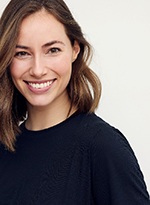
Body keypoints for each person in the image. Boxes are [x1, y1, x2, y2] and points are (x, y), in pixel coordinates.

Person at [0, 0, 149, 204]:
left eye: (52, 50)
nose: (37, 69)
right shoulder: (4, 149)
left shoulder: (103, 147)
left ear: (75, 50)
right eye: (22, 53)